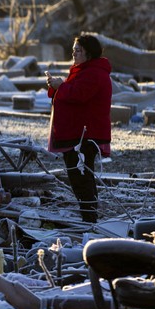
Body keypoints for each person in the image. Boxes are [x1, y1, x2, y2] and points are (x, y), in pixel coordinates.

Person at [46, 33, 112, 223]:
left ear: (88, 53)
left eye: (78, 50)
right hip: (76, 133)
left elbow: (78, 94)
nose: (73, 53)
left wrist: (61, 85)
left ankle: (89, 218)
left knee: (81, 176)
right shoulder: (83, 71)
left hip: (84, 135)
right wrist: (57, 85)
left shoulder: (94, 73)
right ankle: (88, 216)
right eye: (73, 50)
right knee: (79, 176)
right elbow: (71, 91)